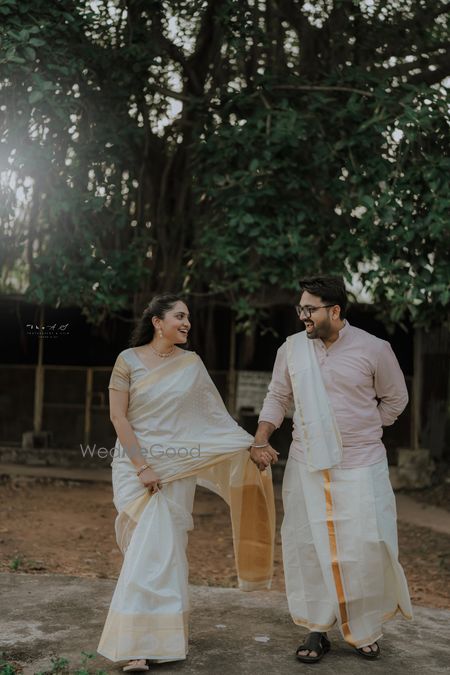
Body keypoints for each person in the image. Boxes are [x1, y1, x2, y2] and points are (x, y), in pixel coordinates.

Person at [97, 294, 275, 672]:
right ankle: (147, 637)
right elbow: (118, 417)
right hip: (135, 467)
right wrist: (143, 466)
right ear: (157, 322)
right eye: (179, 316)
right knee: (144, 549)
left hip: (177, 468)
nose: (187, 323)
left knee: (164, 550)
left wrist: (251, 445)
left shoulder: (191, 364)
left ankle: (145, 644)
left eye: (188, 317)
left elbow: (214, 418)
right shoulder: (127, 360)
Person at [253, 275, 412, 663]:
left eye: (310, 309)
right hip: (307, 462)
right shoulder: (292, 350)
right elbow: (278, 397)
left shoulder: (374, 349)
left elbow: (395, 399)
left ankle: (363, 628)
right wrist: (260, 438)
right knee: (309, 545)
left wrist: (360, 429)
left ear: (335, 310)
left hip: (361, 464)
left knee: (366, 545)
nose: (303, 316)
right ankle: (318, 629)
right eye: (300, 308)